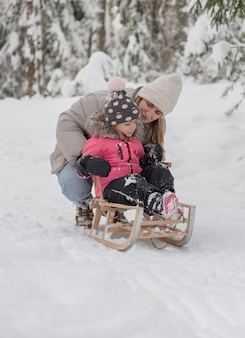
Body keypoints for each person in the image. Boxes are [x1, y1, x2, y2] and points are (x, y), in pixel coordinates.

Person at [50, 72, 182, 225]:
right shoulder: (101, 102)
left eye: (158, 112)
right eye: (150, 104)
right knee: (74, 183)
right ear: (142, 95)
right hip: (79, 154)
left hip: (121, 171)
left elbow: (142, 158)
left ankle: (165, 202)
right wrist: (84, 159)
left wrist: (150, 155)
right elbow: (67, 122)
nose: (149, 114)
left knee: (149, 174)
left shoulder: (154, 125)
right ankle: (84, 205)